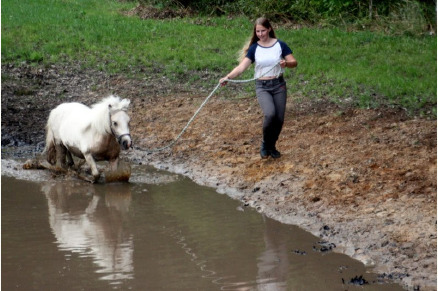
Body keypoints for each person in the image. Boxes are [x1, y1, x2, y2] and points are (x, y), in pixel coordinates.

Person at [220, 17, 297, 159]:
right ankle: (265, 144)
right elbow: (241, 67)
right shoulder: (254, 48)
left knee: (279, 119)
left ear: (269, 29)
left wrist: (286, 63)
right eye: (258, 31)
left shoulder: (280, 45)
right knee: (270, 114)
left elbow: (294, 62)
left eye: (263, 31)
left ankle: (272, 146)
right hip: (262, 86)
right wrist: (228, 77)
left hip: (279, 85)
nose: (260, 34)